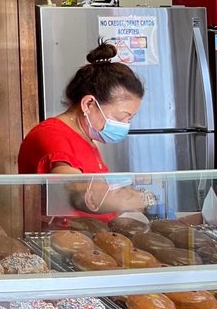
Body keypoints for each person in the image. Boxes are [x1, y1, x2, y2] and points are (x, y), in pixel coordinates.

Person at [18, 41, 157, 214]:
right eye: (121, 117)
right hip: (65, 239)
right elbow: (78, 191)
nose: (125, 125)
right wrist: (143, 200)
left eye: (130, 118)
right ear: (89, 104)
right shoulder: (52, 136)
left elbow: (102, 191)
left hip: (94, 234)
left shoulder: (87, 137)